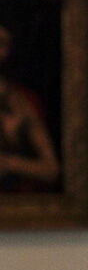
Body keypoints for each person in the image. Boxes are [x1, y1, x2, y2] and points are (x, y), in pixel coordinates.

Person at [0, 24, 61, 192]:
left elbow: (51, 169)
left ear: (6, 51)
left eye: (1, 43)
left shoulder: (22, 102)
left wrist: (10, 163)